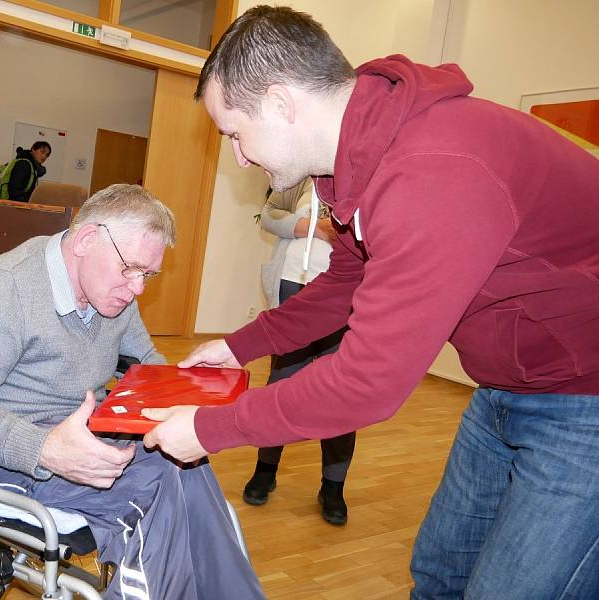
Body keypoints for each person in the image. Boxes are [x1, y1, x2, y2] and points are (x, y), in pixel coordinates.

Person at [142, 6, 599, 599]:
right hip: (508, 387)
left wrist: (211, 428)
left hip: (584, 400)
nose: (239, 158)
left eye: (234, 133)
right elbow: (345, 285)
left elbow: (367, 383)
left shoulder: (434, 171)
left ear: (281, 103)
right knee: (439, 577)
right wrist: (239, 346)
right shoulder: (357, 168)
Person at [0, 183, 265, 600]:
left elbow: (146, 359)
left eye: (148, 274)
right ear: (88, 240)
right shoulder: (3, 291)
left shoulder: (116, 293)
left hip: (90, 432)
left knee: (186, 462)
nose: (139, 287)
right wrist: (46, 449)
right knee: (152, 493)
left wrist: (192, 390)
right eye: (132, 269)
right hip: (13, 456)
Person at [244, 176, 355, 526]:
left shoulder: (365, 180)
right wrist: (313, 228)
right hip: (292, 286)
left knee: (341, 397)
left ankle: (333, 487)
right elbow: (270, 215)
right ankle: (265, 470)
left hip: (342, 298)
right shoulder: (301, 176)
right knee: (281, 384)